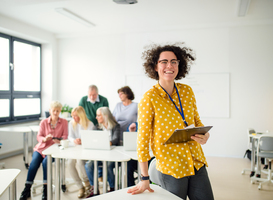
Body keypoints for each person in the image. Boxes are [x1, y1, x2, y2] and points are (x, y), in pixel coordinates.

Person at [127, 43, 214, 200]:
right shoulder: (149, 98)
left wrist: (205, 135)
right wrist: (144, 178)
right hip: (171, 167)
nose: (170, 66)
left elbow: (197, 122)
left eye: (174, 61)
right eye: (164, 62)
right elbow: (143, 140)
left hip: (196, 161)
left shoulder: (187, 91)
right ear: (155, 66)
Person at [19, 101, 68, 200]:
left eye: (57, 111)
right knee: (33, 164)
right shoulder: (44, 122)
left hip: (54, 149)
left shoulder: (64, 122)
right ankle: (27, 189)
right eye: (53, 110)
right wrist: (45, 139)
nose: (55, 112)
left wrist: (58, 140)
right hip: (41, 148)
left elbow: (65, 136)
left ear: (60, 111)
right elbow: (39, 136)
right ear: (50, 111)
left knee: (46, 163)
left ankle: (46, 190)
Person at [85, 107, 120, 197]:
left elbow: (116, 139)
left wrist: (108, 143)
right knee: (88, 165)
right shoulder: (97, 128)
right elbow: (93, 139)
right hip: (100, 154)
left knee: (107, 166)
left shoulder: (116, 126)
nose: (96, 117)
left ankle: (113, 188)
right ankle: (95, 189)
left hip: (113, 154)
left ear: (105, 116)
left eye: (99, 115)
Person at [67, 106, 95, 198]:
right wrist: (74, 140)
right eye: (73, 116)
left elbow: (92, 139)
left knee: (80, 161)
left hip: (85, 149)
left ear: (81, 115)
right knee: (70, 163)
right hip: (75, 148)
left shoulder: (90, 124)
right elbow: (70, 137)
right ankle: (80, 186)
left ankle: (87, 184)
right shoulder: (71, 123)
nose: (74, 118)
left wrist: (83, 141)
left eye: (76, 116)